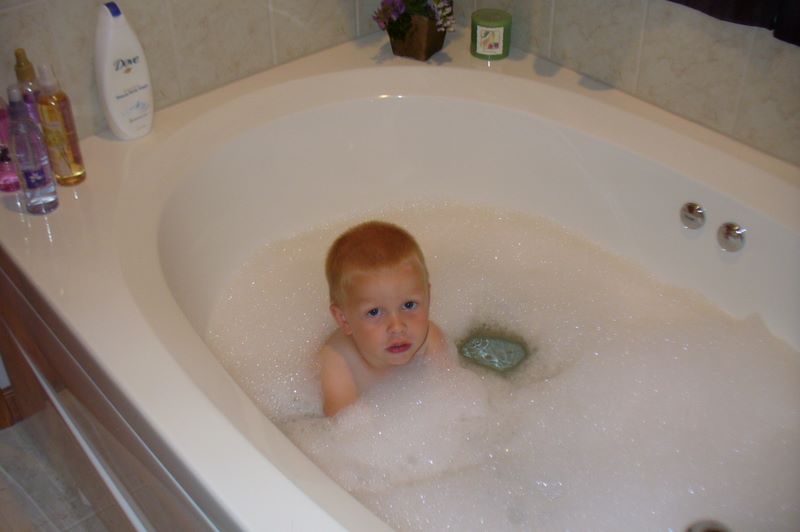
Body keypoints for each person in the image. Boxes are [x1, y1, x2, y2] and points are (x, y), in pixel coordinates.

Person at [319, 220, 449, 416]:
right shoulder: (338, 360)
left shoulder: (431, 340)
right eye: (374, 312)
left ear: (428, 298)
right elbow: (343, 432)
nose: (397, 327)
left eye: (409, 305)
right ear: (344, 320)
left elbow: (453, 397)